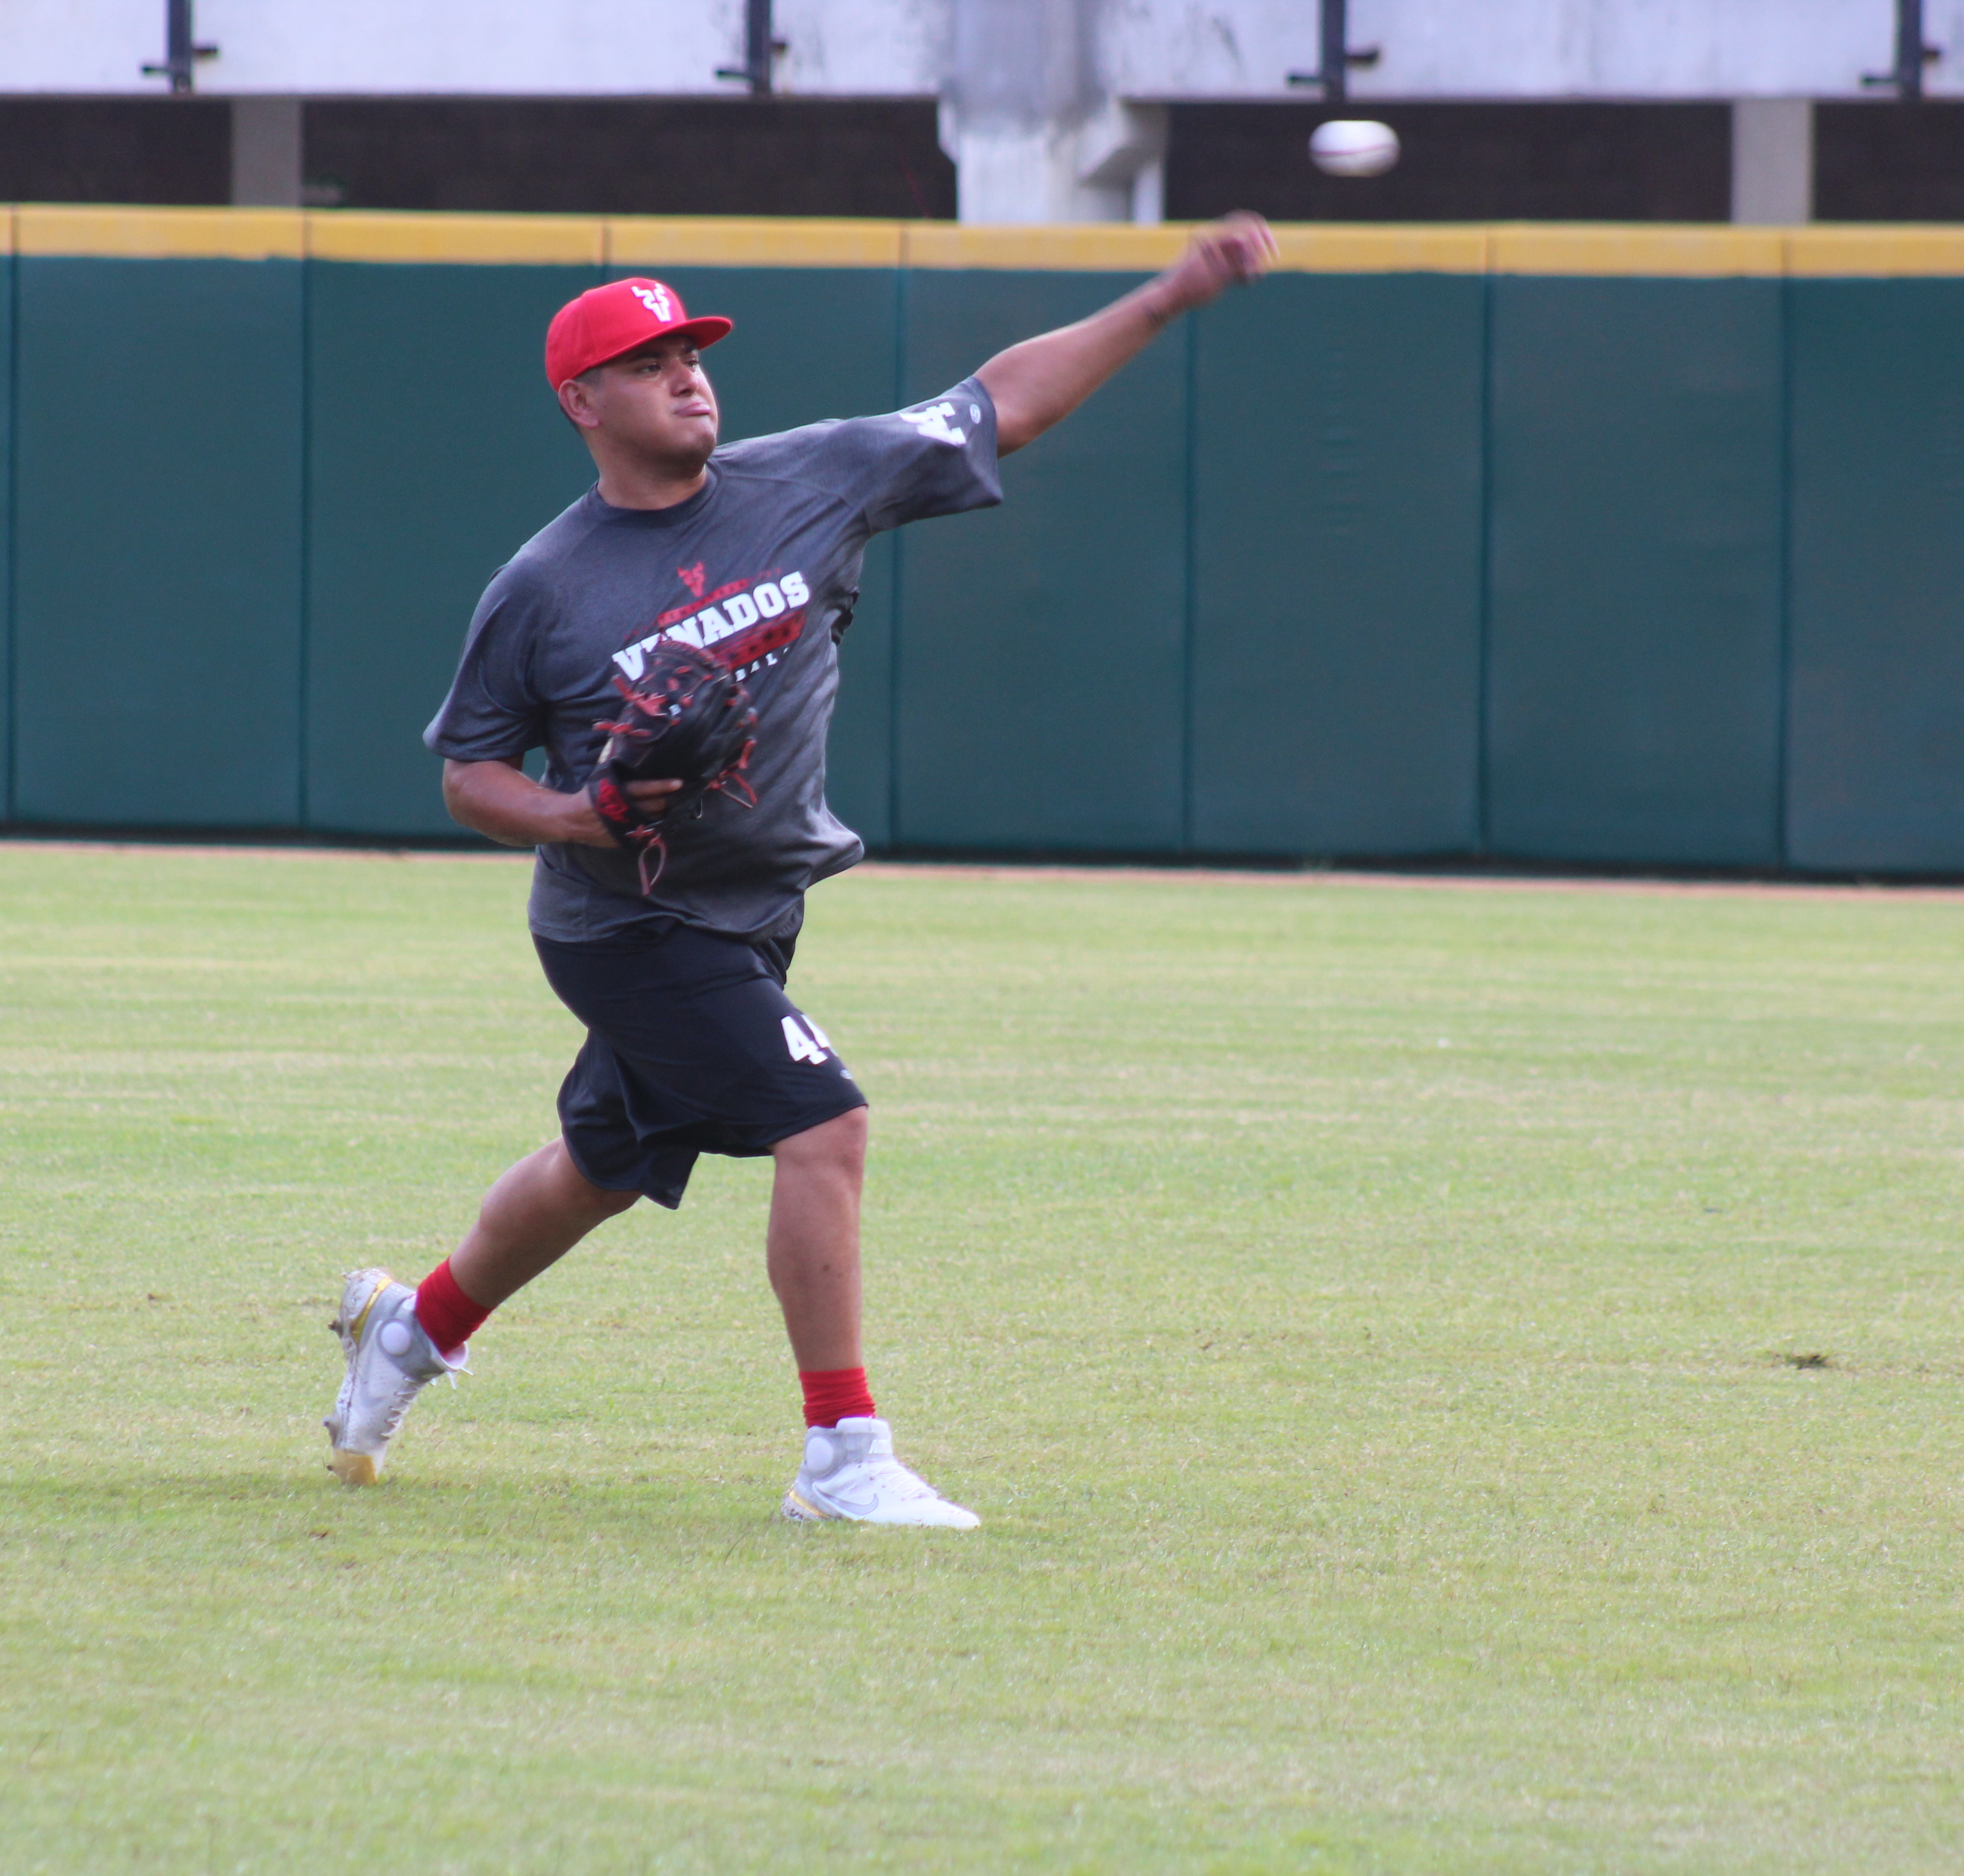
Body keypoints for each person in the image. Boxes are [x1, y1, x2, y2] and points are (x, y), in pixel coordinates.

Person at [324, 213, 1279, 1525]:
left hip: (755, 907)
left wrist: (1169, 294)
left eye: (694, 350)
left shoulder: (812, 479)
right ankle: (842, 1457)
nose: (688, 373)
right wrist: (575, 815)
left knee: (601, 1166)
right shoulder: (544, 586)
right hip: (633, 925)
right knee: (824, 1125)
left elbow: (1000, 402)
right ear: (582, 400)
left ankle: (409, 1328)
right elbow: (469, 774)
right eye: (651, 359)